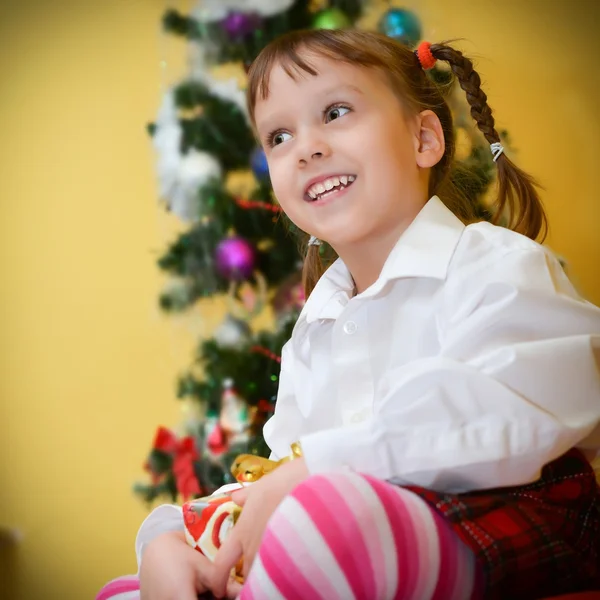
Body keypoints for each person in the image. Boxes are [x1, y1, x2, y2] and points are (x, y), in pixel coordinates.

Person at [98, 29, 600, 600]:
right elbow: (277, 471)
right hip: (343, 533)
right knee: (142, 586)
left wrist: (320, 468)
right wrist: (168, 539)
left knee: (320, 519)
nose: (306, 147)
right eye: (279, 136)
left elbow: (516, 403)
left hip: (503, 527)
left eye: (335, 112)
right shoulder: (314, 330)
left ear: (424, 138)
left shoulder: (496, 265)